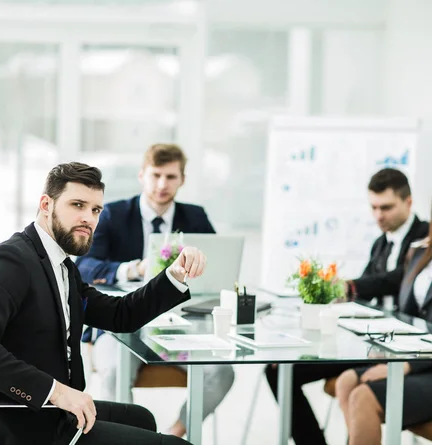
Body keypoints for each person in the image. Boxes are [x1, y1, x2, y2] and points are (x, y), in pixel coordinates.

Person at [0, 162, 207, 445]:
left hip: (60, 413)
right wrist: (57, 392)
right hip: (34, 423)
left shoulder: (61, 264)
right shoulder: (10, 261)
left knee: (142, 418)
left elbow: (120, 315)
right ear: (46, 204)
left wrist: (174, 275)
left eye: (96, 210)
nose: (89, 218)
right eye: (77, 205)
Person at [76, 143, 234, 437]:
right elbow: (84, 267)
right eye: (156, 175)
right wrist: (133, 268)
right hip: (120, 325)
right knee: (111, 368)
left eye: (171, 177)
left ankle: (172, 436)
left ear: (182, 180)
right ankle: (125, 440)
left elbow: (216, 268)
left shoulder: (196, 217)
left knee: (221, 372)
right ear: (142, 175)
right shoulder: (111, 214)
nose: (162, 184)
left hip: (182, 327)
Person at [265, 168, 429, 445]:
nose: (379, 215)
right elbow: (367, 284)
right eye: (374, 207)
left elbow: (395, 280)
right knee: (278, 368)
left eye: (386, 207)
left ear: (408, 202)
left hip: (400, 345)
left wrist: (351, 287)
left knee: (349, 385)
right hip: (373, 338)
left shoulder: (424, 239)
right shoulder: (381, 243)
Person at [335, 207, 432, 445]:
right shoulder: (421, 253)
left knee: (364, 397)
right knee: (346, 381)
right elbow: (408, 313)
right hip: (419, 356)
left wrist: (407, 365)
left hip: (424, 364)